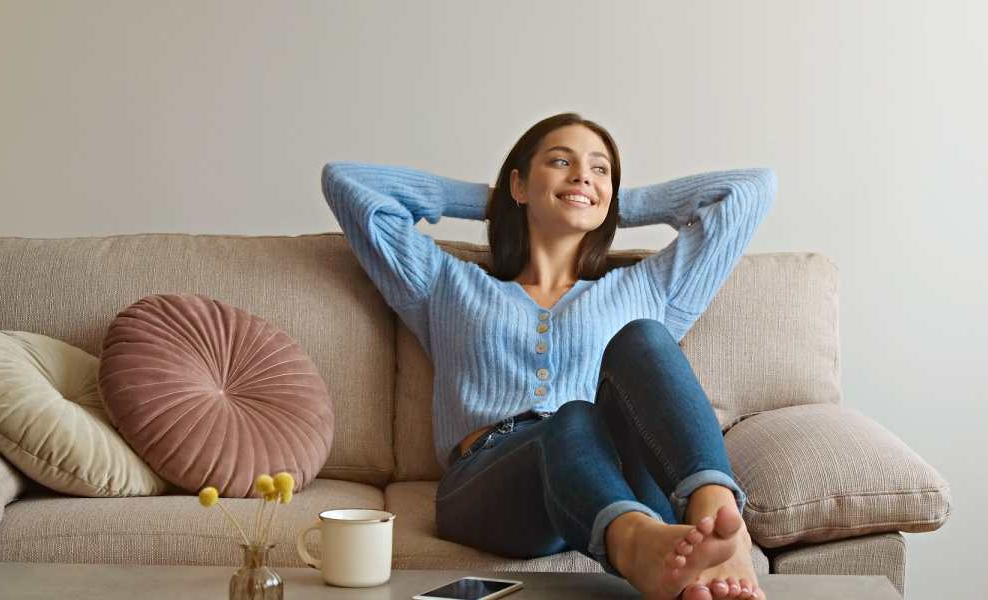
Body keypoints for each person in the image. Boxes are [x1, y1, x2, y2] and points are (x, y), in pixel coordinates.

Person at [322, 112, 776, 600]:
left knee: (643, 337)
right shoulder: (445, 283)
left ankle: (715, 514)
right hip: (494, 485)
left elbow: (750, 190)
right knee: (572, 417)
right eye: (561, 161)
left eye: (600, 169)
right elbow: (347, 183)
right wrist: (496, 201)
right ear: (519, 183)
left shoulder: (648, 286)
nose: (583, 175)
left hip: (617, 475)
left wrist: (612, 202)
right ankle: (636, 544)